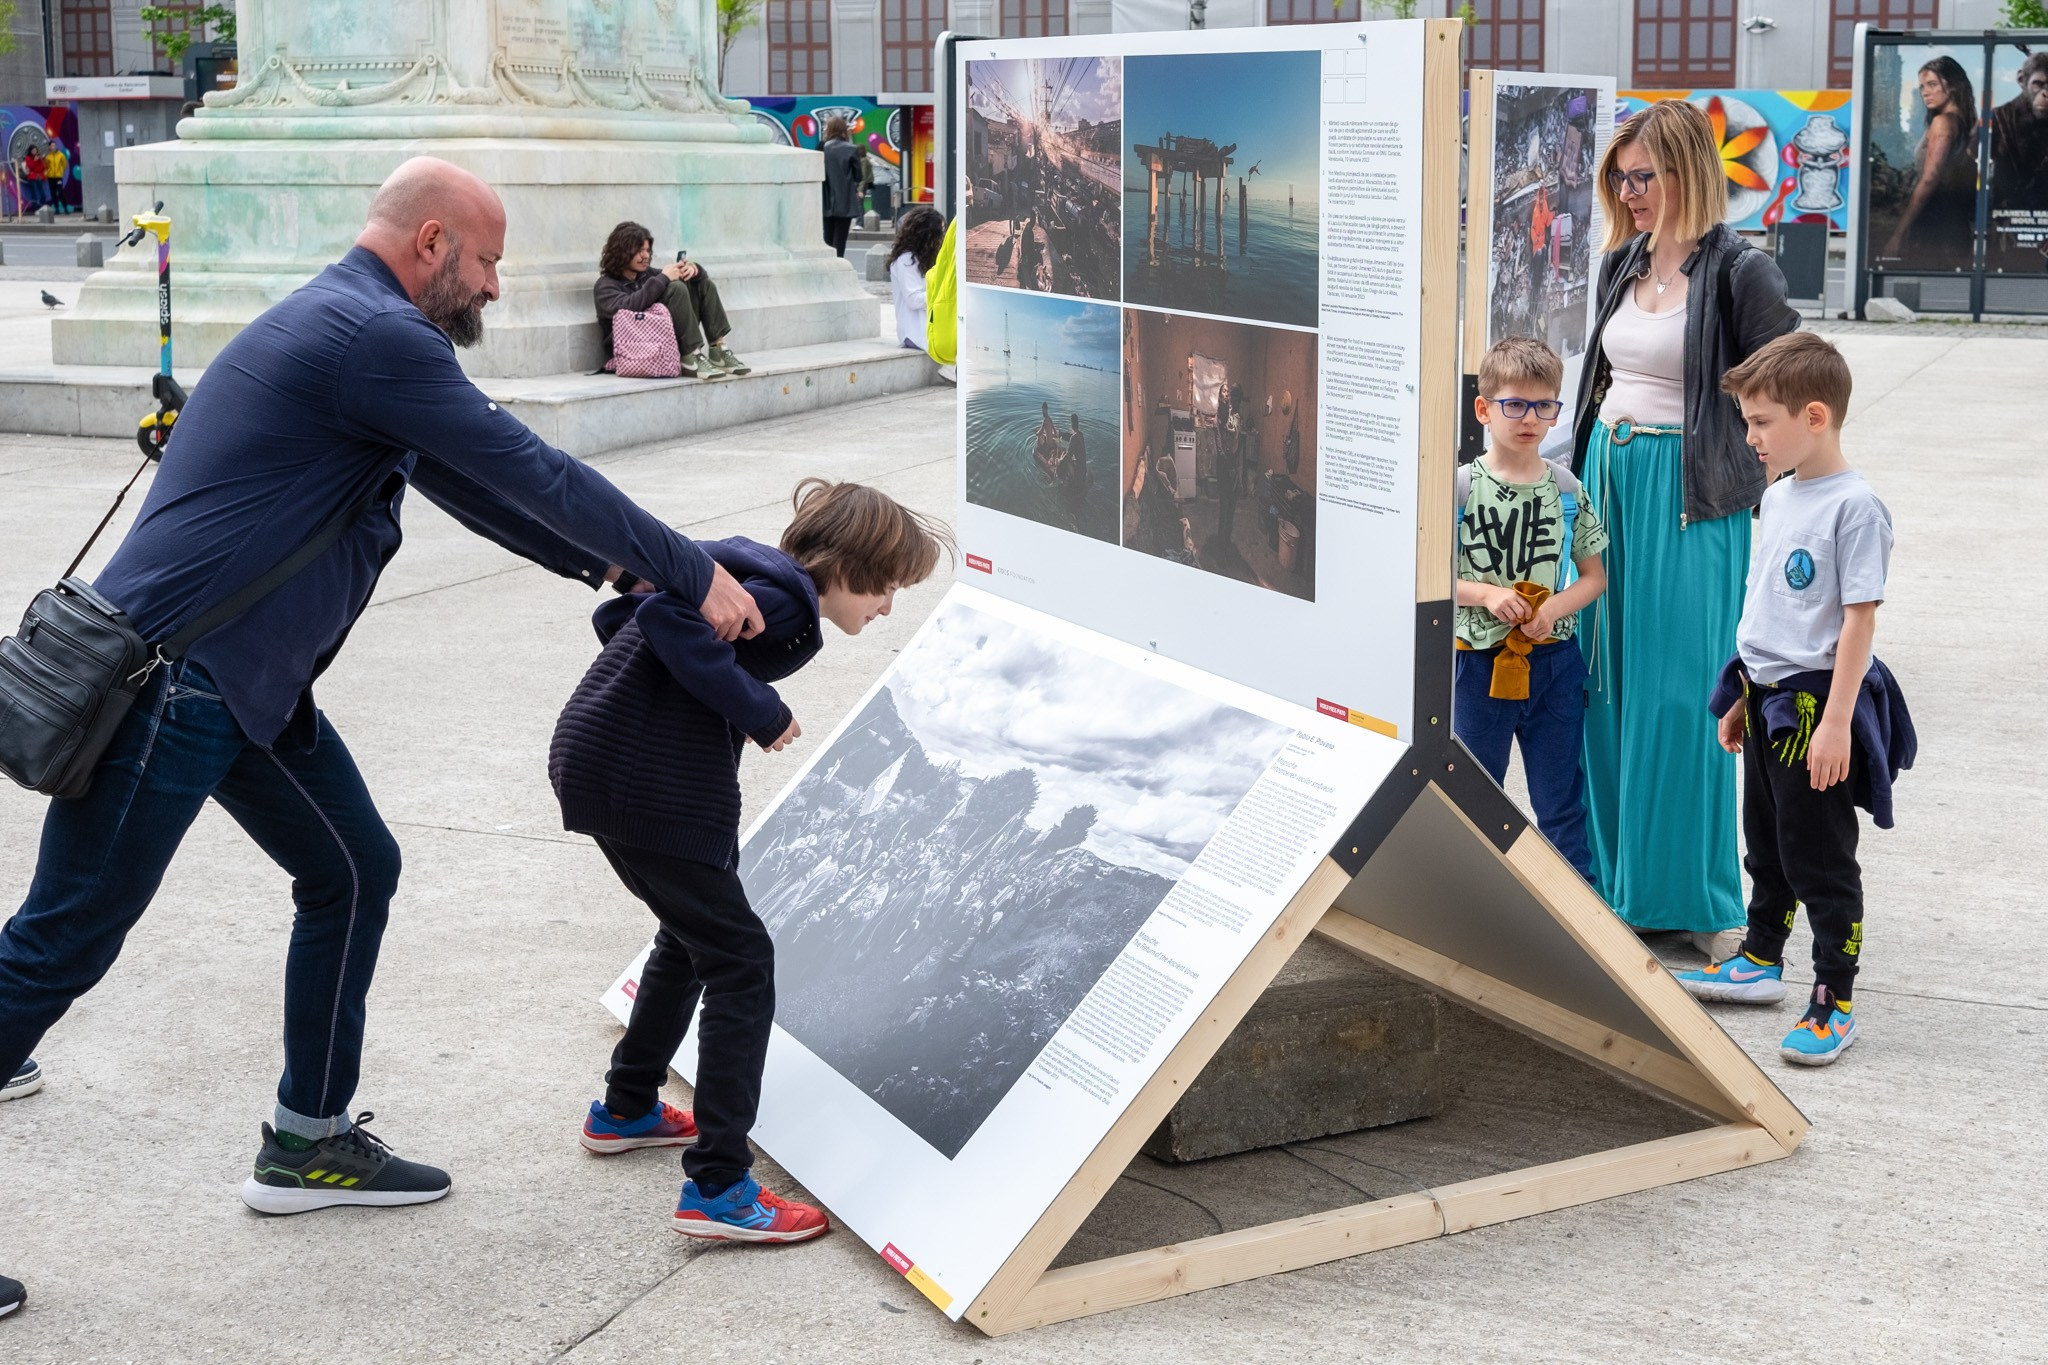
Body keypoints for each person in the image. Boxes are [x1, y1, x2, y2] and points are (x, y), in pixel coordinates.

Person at [0, 155, 767, 1216]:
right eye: (490, 261)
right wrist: (692, 568)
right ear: (432, 244)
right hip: (172, 689)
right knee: (61, 942)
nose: (497, 287)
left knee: (355, 867)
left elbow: (467, 480)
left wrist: (609, 568)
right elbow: (531, 468)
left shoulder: (349, 327)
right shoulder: (377, 337)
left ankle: (308, 1140)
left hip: (245, 688)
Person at [555, 479, 951, 1240]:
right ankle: (720, 1187)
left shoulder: (749, 569)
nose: (888, 608)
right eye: (889, 588)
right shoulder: (789, 606)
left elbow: (626, 612)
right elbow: (668, 614)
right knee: (742, 961)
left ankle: (628, 1106)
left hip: (600, 761)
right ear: (851, 565)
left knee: (689, 934)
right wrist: (760, 710)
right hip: (642, 785)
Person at [1568, 99, 1798, 960]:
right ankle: (1623, 886)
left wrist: (1782, 499)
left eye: (1644, 176)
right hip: (1609, 482)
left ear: (1689, 172)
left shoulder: (1742, 270)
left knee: (1689, 698)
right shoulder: (1621, 262)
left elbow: (1795, 386)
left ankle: (1704, 900)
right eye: (1619, 177)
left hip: (1692, 495)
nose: (1628, 193)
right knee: (1605, 688)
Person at [1676, 333, 1912, 1067]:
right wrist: (1743, 693)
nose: (1750, 437)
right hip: (1766, 694)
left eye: (1761, 421)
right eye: (1746, 421)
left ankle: (1833, 999)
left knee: (1822, 859)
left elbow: (1856, 621)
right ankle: (1761, 956)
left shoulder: (1855, 506)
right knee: (1768, 843)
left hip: (1814, 707)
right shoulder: (1777, 496)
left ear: (1815, 416)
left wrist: (1837, 721)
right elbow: (1769, 603)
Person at [1457, 337, 1610, 880]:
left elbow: (1593, 577)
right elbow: (1426, 577)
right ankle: (1480, 915)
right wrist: (1486, 594)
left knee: (1563, 803)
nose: (1530, 418)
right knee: (1475, 801)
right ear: (1484, 408)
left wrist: (1555, 610)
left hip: (1554, 666)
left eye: (1544, 406)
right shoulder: (1459, 489)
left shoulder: (1566, 487)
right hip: (1478, 664)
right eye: (1515, 404)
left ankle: (1585, 926)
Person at [593, 221, 749, 380]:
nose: (646, 256)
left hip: (662, 339)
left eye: (647, 250)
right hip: (636, 348)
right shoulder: (605, 286)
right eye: (640, 251)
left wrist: (694, 270)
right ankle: (690, 355)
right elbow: (628, 308)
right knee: (676, 288)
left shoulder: (646, 274)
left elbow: (682, 278)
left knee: (704, 285)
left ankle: (718, 349)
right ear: (622, 252)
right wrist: (664, 278)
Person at [1882, 55, 1979, 264]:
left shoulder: (1943, 123)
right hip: (1956, 223)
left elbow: (1930, 178)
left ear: (1952, 85)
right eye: (1922, 87)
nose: (1925, 92)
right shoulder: (1965, 122)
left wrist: (1898, 234)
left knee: (1919, 288)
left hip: (1934, 223)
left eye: (1932, 84)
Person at [1991, 52, 2048, 218]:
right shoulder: (2000, 118)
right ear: (2022, 81)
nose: (2045, 93)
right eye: (2039, 84)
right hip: (2006, 214)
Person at [887, 204, 943, 351]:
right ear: (928, 236)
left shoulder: (925, 258)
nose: (942, 238)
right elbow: (913, 299)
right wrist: (943, 293)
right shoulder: (906, 260)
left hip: (928, 326)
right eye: (940, 234)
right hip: (915, 332)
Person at [820, 117, 863, 257]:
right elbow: (858, 176)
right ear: (844, 129)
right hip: (845, 200)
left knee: (827, 237)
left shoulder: (822, 148)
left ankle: (827, 265)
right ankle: (838, 265)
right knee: (840, 239)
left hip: (826, 199)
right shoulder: (851, 149)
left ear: (829, 130)